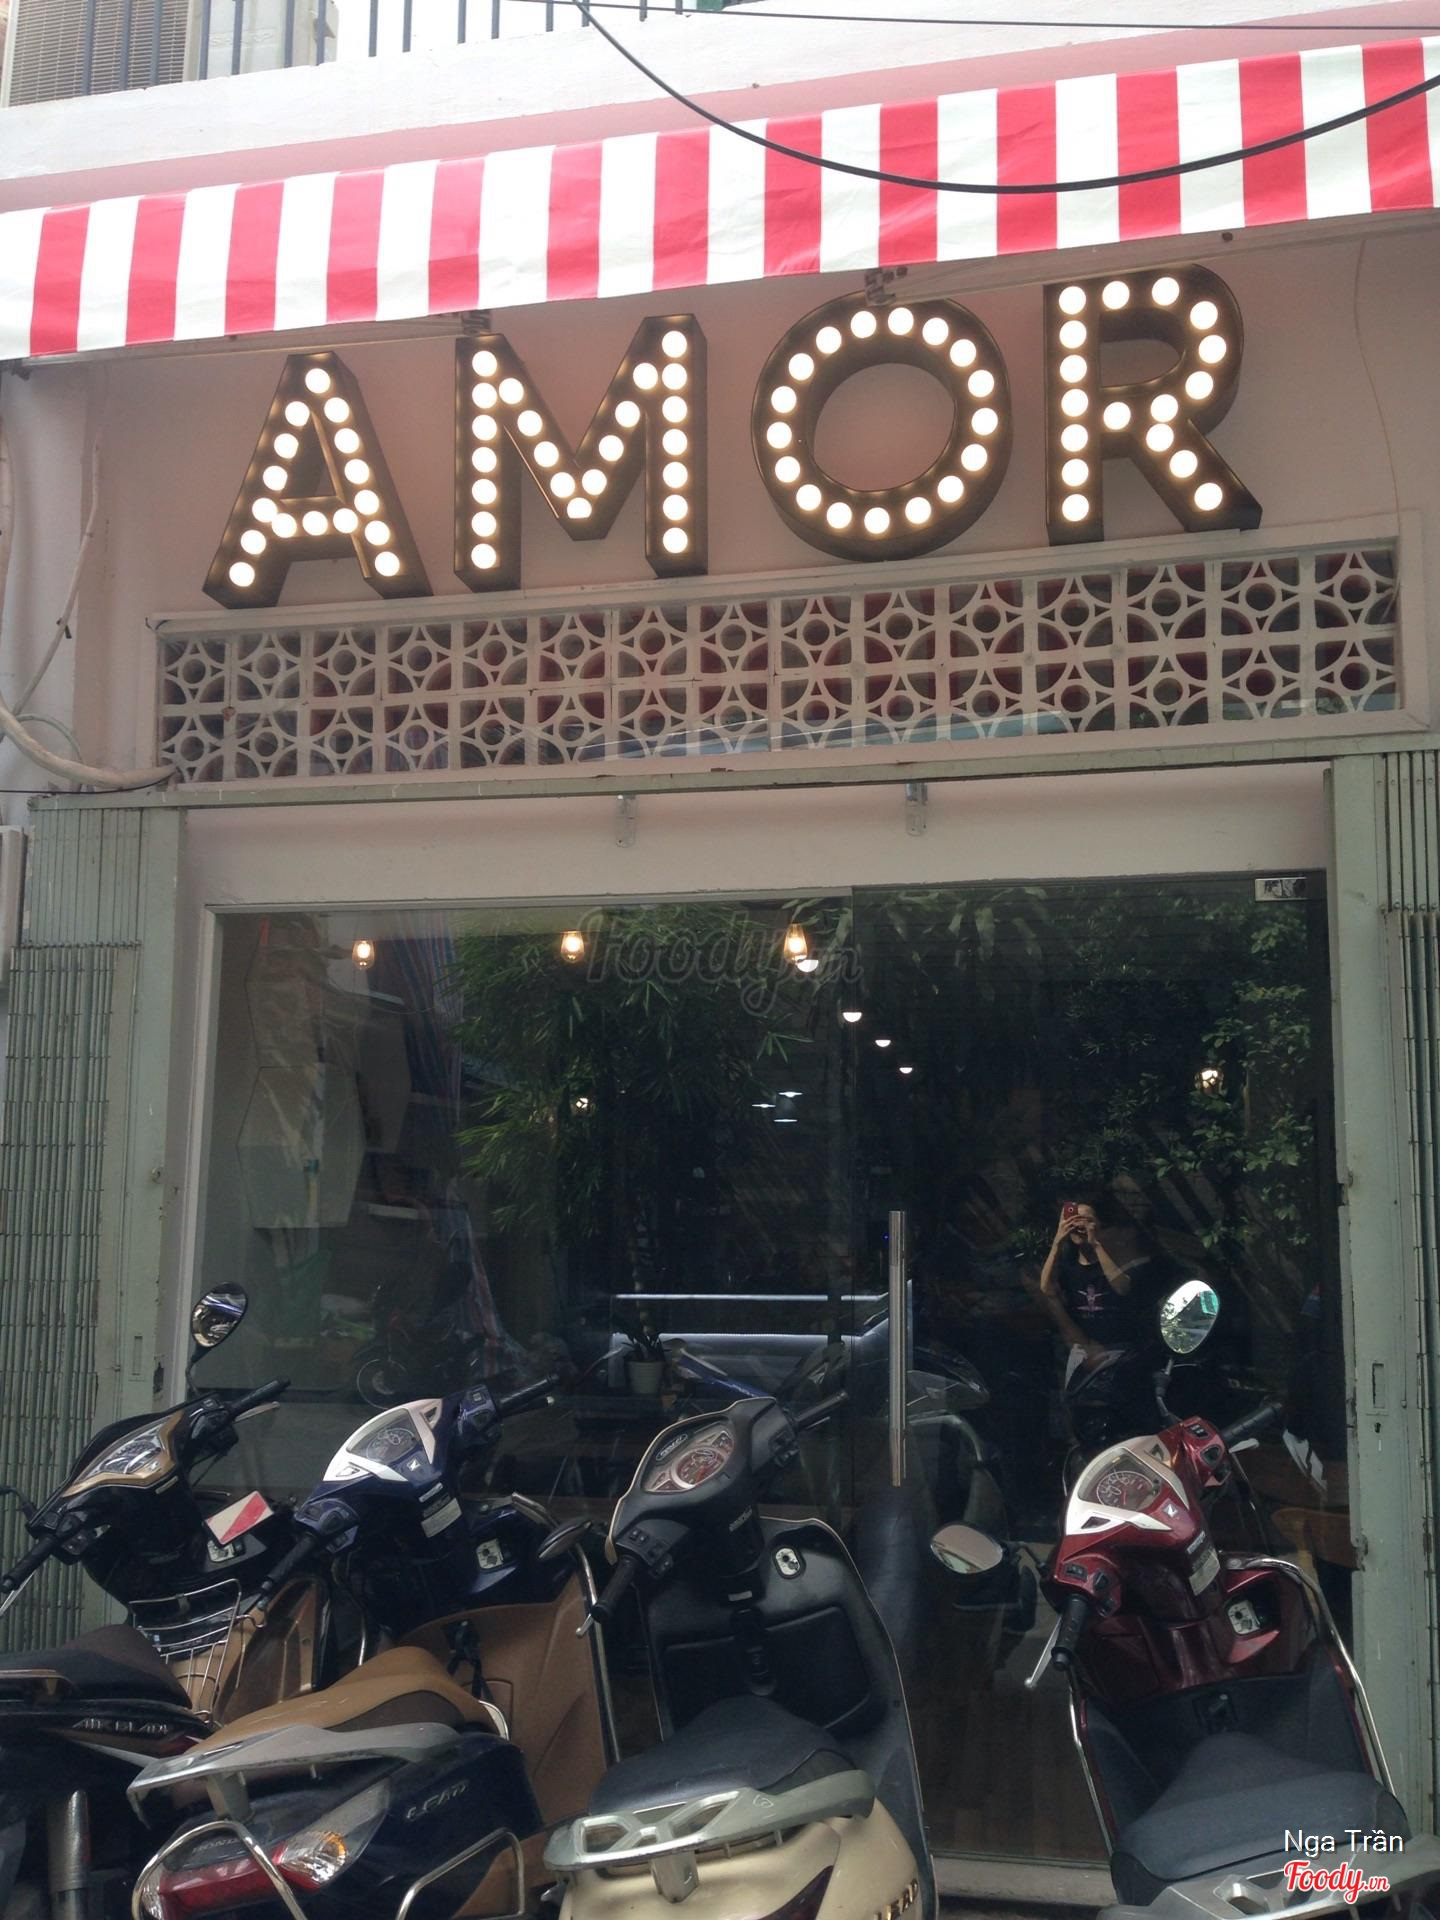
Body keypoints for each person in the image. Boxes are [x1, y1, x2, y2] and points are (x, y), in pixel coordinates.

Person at [1038, 1196, 1152, 1385]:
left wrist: (1096, 1244)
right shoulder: (1068, 1267)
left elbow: (1122, 1288)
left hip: (1121, 1347)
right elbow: (1046, 1288)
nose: (1078, 1225)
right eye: (1073, 1220)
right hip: (1083, 1349)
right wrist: (1057, 1242)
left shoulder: (1114, 1262)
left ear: (1099, 1225)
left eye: (1086, 1220)